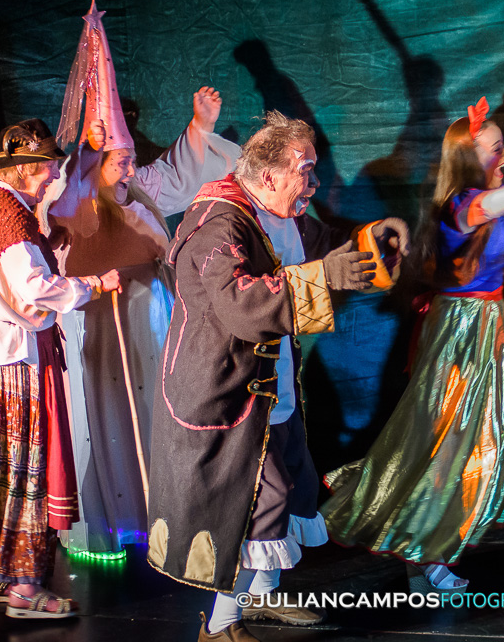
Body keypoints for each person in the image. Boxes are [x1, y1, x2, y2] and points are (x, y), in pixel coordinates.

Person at [321, 96, 504, 591]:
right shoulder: (463, 206)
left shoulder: (485, 200)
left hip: (486, 325)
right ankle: (423, 551)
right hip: (460, 333)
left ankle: (435, 541)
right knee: (448, 444)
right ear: (467, 156)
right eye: (495, 148)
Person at [145, 111, 409, 642]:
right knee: (252, 509)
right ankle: (220, 625)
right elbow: (242, 304)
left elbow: (318, 243)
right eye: (304, 170)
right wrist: (325, 278)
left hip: (269, 385)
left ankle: (260, 596)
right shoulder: (219, 223)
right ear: (268, 175)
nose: (313, 182)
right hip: (225, 391)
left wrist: (368, 242)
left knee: (289, 492)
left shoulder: (276, 212)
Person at [48, 2, 242, 555]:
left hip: (148, 318)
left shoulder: (140, 189)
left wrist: (200, 127)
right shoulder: (75, 200)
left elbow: (178, 174)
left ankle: (163, 512)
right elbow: (63, 198)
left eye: (131, 160)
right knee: (107, 414)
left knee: (156, 408)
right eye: (119, 162)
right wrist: (89, 147)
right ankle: (112, 520)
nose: (129, 170)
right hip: (98, 322)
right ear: (94, 163)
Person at [0, 119, 122, 619]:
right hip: (9, 357)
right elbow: (33, 287)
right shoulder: (8, 217)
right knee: (21, 467)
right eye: (46, 170)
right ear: (24, 170)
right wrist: (92, 285)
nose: (50, 178)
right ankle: (22, 589)